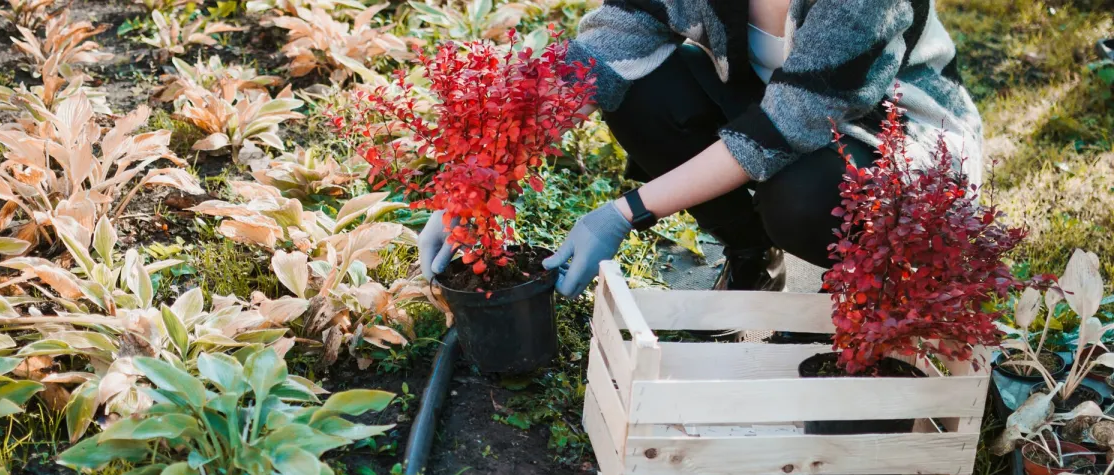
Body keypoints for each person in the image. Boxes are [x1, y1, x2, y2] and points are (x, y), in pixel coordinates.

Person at [420, 0, 982, 298]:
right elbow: (604, 49)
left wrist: (624, 213)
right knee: (641, 89)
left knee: (802, 199)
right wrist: (481, 177)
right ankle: (752, 255)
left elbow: (792, 124)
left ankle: (873, 295)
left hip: (896, 140)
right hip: (783, 111)